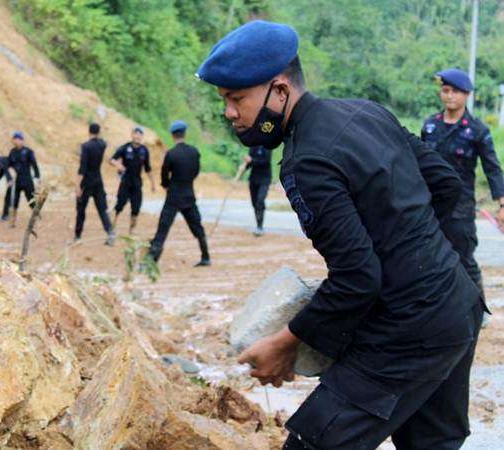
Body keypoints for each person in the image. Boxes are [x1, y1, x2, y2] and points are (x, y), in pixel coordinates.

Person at [197, 20, 484, 449]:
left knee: (314, 443)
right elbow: (446, 186)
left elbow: (357, 276)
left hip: (410, 328)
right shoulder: (365, 112)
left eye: (237, 98)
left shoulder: (306, 162)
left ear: (279, 90)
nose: (230, 113)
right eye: (225, 100)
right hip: (459, 305)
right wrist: (432, 264)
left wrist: (286, 341)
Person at [420, 68, 504, 296]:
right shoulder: (430, 126)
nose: (449, 96)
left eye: (455, 91)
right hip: (430, 205)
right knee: (428, 258)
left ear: (467, 95)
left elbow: (492, 167)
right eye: (445, 90)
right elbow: (417, 164)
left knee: (464, 259)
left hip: (460, 207)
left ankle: (478, 311)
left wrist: (502, 204)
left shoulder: (477, 130)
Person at [148, 120, 210, 267]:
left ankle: (152, 260)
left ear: (172, 135)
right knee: (197, 226)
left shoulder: (171, 154)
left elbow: (164, 174)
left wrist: (166, 186)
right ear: (184, 133)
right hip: (189, 195)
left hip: (173, 196)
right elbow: (196, 171)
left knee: (163, 228)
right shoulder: (194, 152)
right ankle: (206, 256)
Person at [75, 123, 116, 245]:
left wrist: (77, 185)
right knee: (102, 209)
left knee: (81, 210)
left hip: (86, 181)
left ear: (89, 132)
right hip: (98, 180)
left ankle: (78, 236)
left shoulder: (86, 147)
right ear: (98, 132)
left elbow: (82, 168)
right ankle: (110, 233)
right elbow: (104, 141)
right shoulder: (102, 145)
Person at [110, 127, 155, 234]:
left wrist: (153, 183)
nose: (137, 136)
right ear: (132, 135)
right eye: (136, 134)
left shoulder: (144, 150)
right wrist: (118, 165)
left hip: (137, 183)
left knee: (136, 209)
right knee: (119, 206)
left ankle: (131, 231)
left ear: (142, 137)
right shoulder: (125, 148)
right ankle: (112, 227)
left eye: (140, 135)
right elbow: (112, 159)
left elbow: (148, 168)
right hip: (125, 182)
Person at [7, 131, 40, 227]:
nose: (16, 141)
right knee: (14, 200)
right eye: (14, 139)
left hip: (27, 179)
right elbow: (9, 165)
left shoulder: (28, 151)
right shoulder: (12, 152)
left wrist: (37, 178)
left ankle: (35, 218)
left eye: (18, 139)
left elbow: (34, 165)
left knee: (31, 200)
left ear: (22, 140)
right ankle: (12, 222)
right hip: (17, 180)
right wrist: (10, 175)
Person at [245, 145, 272, 236]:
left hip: (265, 179)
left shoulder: (268, 145)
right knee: (254, 203)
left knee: (260, 200)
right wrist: (245, 165)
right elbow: (250, 162)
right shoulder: (253, 146)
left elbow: (266, 161)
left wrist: (252, 161)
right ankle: (258, 224)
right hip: (253, 178)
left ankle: (260, 227)